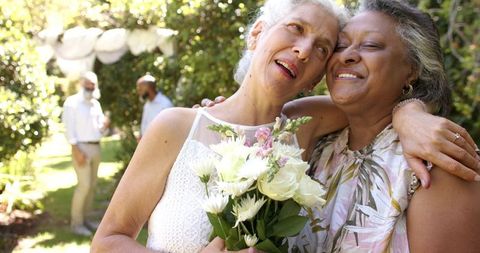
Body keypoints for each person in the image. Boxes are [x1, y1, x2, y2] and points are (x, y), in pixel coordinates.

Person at [91, 0, 479, 252]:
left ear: (315, 77)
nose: (307, 50)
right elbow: (108, 240)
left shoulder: (310, 129)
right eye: (295, 28)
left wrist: (410, 112)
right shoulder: (179, 125)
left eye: (324, 48)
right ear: (257, 34)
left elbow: (376, 103)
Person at [287, 0, 480, 252]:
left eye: (371, 45)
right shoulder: (316, 146)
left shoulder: (437, 158)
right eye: (341, 45)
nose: (347, 55)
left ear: (411, 70)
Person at [62, 71, 110, 236]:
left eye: (93, 84)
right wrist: (76, 150)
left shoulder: (95, 104)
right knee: (84, 186)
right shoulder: (72, 103)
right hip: (80, 147)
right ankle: (76, 224)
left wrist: (105, 126)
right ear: (81, 84)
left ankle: (86, 219)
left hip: (96, 147)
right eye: (87, 84)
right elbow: (68, 129)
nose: (90, 87)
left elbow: (101, 130)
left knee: (92, 186)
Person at [136, 74, 173, 139]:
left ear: (148, 87)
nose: (139, 92)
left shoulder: (165, 104)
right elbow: (144, 124)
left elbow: (169, 130)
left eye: (140, 89)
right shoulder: (147, 105)